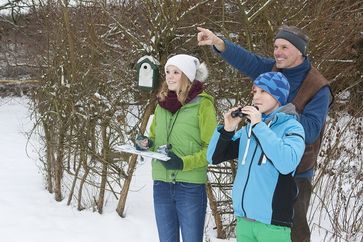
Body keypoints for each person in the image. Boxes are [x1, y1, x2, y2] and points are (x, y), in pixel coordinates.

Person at [197, 25, 333, 242]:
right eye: (275, 46)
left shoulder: (318, 87)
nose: (277, 52)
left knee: (294, 234)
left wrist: (277, 115)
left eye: (284, 47)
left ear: (300, 51)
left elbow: (311, 130)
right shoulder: (272, 70)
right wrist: (218, 42)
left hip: (295, 173)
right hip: (261, 174)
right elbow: (246, 60)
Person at [207, 71, 305, 242]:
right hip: (244, 221)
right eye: (254, 91)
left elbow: (287, 163)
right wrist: (227, 130)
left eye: (263, 91)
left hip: (273, 224)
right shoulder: (248, 130)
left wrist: (259, 126)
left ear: (278, 95)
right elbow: (213, 158)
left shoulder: (292, 127)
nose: (256, 97)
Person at [135, 54, 217, 242]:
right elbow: (155, 138)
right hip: (162, 184)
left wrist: (182, 163)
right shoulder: (161, 103)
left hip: (190, 186)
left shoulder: (202, 104)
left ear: (187, 76)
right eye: (167, 72)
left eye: (176, 72)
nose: (170, 77)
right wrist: (146, 143)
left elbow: (210, 149)